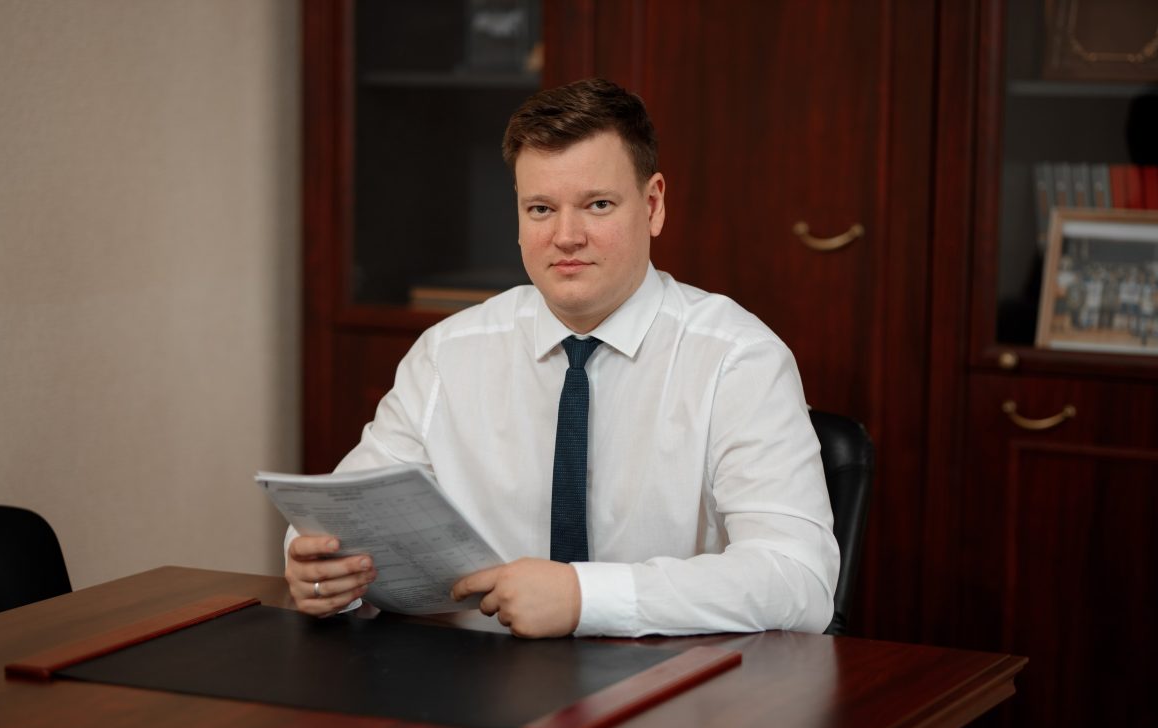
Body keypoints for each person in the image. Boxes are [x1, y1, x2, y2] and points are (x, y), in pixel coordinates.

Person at [284, 78, 839, 638]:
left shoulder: (738, 360)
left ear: (652, 206)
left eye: (598, 205)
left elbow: (799, 579)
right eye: (541, 208)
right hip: (474, 678)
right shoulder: (446, 356)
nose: (566, 237)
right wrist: (322, 569)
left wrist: (585, 597)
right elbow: (348, 514)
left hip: (668, 677)